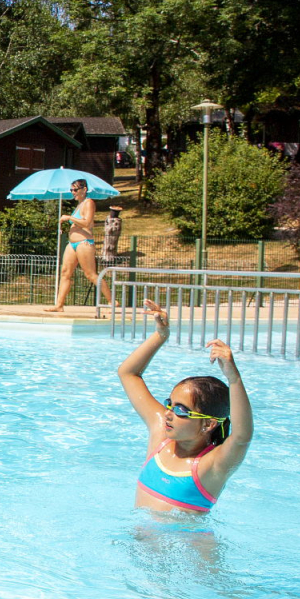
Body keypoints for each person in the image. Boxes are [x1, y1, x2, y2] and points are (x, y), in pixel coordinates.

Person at [118, 300, 254, 513]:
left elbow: (242, 436)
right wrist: (161, 335)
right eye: (169, 404)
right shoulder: (160, 437)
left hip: (191, 545)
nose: (169, 414)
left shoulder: (212, 466)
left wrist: (233, 377)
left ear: (208, 423)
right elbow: (128, 374)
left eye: (181, 410)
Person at [45, 180, 107, 313]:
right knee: (65, 273)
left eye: (75, 190)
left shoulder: (89, 203)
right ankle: (59, 305)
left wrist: (69, 218)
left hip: (84, 243)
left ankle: (112, 301)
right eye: (71, 190)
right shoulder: (79, 205)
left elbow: (87, 223)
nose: (73, 193)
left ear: (84, 190)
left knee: (90, 274)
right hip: (72, 244)